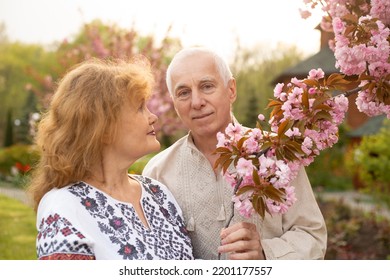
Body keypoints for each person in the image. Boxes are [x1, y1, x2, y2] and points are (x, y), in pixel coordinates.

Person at [142, 47, 327, 260]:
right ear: (174, 103)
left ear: (231, 90)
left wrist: (266, 254)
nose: (196, 102)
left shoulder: (277, 154)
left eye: (207, 86)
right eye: (183, 93)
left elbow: (313, 237)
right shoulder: (156, 174)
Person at [27, 57, 194, 260]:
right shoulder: (64, 206)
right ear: (103, 127)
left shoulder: (158, 194)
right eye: (140, 107)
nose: (153, 117)